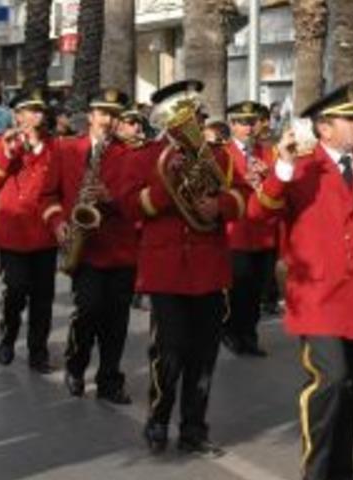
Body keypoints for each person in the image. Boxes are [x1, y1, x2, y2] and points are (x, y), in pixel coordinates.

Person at [248, 84, 353, 480]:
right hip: (317, 297)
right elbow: (259, 215)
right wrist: (283, 170)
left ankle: (341, 472)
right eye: (352, 118)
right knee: (333, 378)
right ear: (325, 128)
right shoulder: (300, 167)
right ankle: (316, 472)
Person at [117, 79, 249, 457]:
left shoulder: (219, 156)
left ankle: (194, 427)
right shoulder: (144, 158)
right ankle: (158, 419)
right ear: (165, 123)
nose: (188, 123)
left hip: (208, 268)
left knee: (204, 356)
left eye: (193, 114)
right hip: (166, 269)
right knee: (169, 352)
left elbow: (244, 196)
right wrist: (166, 186)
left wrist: (219, 206)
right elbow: (129, 206)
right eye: (180, 117)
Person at [40, 88, 139, 404]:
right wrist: (58, 224)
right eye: (102, 113)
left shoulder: (132, 154)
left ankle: (110, 380)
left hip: (121, 247)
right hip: (85, 248)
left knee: (117, 320)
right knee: (89, 311)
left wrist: (113, 199)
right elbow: (47, 196)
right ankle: (76, 366)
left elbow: (141, 202)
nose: (108, 120)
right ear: (92, 116)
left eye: (114, 115)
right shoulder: (65, 148)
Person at [0, 89, 58, 374]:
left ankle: (38, 352)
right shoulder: (0, 143)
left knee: (43, 297)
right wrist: (9, 151)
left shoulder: (54, 146)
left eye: (39, 111)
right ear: (17, 115)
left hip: (45, 232)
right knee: (15, 290)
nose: (35, 116)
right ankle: (8, 336)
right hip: (13, 232)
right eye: (29, 111)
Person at [222, 101, 278, 357]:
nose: (248, 127)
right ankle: (232, 333)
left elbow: (280, 185)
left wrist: (268, 175)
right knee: (238, 287)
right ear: (232, 125)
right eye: (242, 122)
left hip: (263, 232)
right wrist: (245, 180)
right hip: (237, 231)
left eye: (252, 122)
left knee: (257, 288)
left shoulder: (268, 152)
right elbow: (219, 188)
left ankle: (250, 335)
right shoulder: (222, 153)